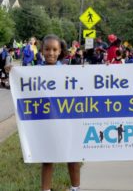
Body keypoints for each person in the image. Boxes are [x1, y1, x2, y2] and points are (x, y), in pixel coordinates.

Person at [39, 34, 80, 191]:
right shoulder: (34, 72)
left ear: (60, 51)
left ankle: (75, 188)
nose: (51, 53)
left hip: (66, 121)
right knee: (48, 159)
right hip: (46, 122)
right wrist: (11, 71)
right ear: (42, 50)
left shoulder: (66, 71)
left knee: (72, 156)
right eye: (47, 49)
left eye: (55, 49)